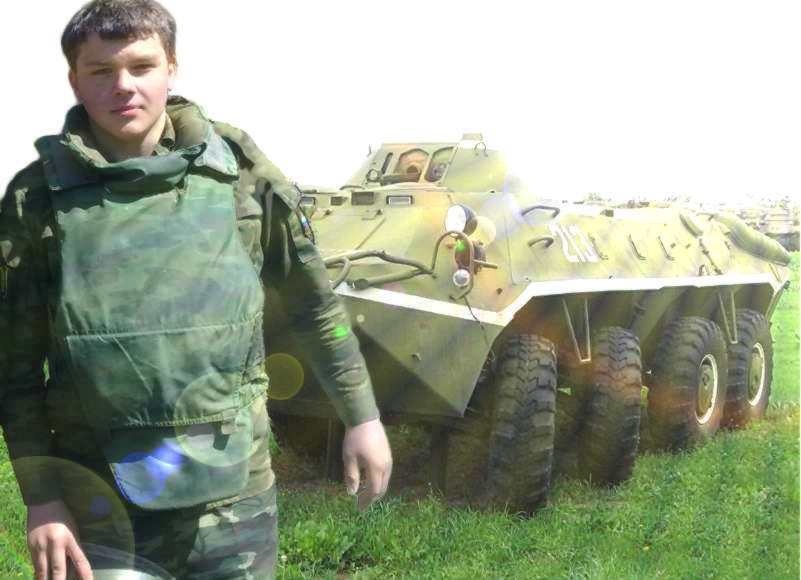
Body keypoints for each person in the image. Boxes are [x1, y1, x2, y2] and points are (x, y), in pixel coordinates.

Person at [0, 1, 392, 578]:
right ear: (74, 80)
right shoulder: (36, 201)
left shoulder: (240, 177)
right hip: (99, 504)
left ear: (172, 67)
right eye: (101, 71)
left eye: (141, 66)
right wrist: (43, 498)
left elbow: (315, 308)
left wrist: (361, 415)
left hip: (234, 502)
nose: (123, 86)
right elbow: (14, 370)